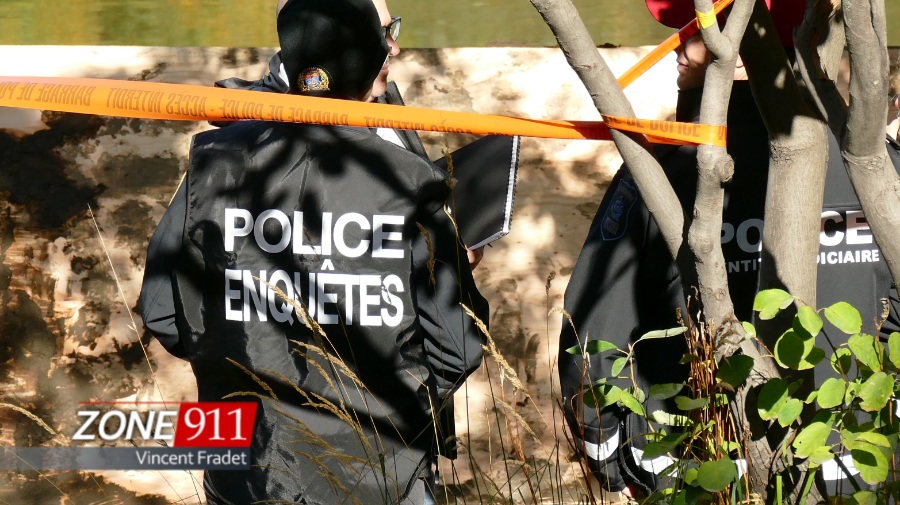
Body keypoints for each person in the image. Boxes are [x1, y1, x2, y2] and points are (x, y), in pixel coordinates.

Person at [138, 0, 489, 503]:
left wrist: (241, 349)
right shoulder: (411, 182)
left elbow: (164, 314)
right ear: (369, 59)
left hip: (244, 463)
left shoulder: (215, 163)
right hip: (380, 467)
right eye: (385, 33)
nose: (394, 44)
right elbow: (456, 350)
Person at [559, 2, 900, 498]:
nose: (677, 44)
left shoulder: (664, 173)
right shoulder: (878, 169)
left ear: (742, 48)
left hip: (705, 478)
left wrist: (633, 472)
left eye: (691, 29)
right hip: (860, 477)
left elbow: (587, 344)